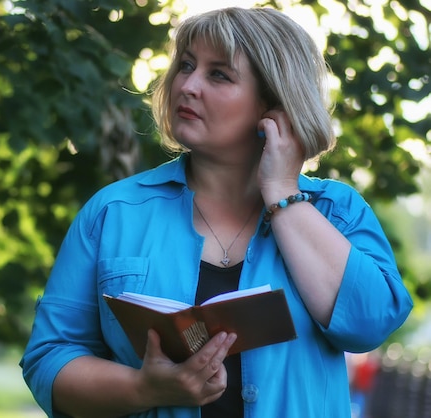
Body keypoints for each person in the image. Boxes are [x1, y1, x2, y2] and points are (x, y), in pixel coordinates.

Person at [20, 6, 413, 418]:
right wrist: (142, 388)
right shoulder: (114, 212)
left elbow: (370, 324)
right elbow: (49, 360)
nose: (187, 85)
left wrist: (282, 193)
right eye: (186, 65)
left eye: (218, 74)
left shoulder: (337, 211)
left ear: (275, 104)